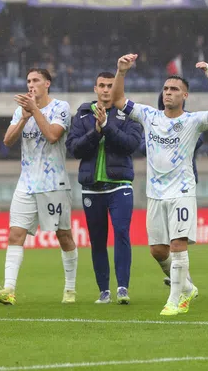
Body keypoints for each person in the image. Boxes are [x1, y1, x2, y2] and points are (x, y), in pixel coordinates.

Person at [111, 53, 208, 316]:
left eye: (174, 89)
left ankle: (174, 300)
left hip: (182, 192)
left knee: (178, 244)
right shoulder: (149, 116)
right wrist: (121, 71)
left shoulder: (193, 121)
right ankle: (187, 287)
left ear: (185, 96)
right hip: (155, 194)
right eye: (166, 89)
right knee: (157, 250)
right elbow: (118, 100)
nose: (168, 93)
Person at [0, 69, 77, 305]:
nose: (31, 85)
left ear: (47, 83)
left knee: (63, 235)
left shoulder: (61, 107)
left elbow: (53, 135)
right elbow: (7, 141)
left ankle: (69, 289)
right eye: (28, 81)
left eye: (36, 80)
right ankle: (9, 289)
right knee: (15, 234)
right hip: (26, 183)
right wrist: (25, 116)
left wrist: (34, 110)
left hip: (54, 183)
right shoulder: (21, 111)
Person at [66, 72, 142, 305]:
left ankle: (122, 288)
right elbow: (73, 148)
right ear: (95, 88)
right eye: (102, 85)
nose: (106, 89)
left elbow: (132, 145)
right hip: (92, 188)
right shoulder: (83, 113)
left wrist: (107, 127)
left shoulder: (130, 113)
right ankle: (104, 292)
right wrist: (95, 131)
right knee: (97, 240)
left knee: (121, 233)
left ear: (116, 87)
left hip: (120, 186)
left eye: (110, 85)